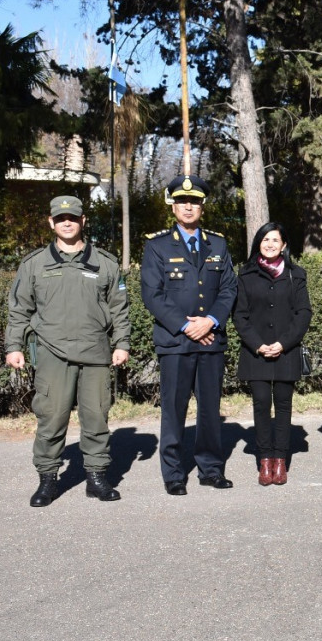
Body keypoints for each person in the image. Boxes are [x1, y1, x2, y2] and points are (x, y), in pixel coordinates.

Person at [5, 195, 130, 507]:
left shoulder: (105, 263)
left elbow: (120, 309)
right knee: (51, 418)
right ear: (51, 223)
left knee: (96, 417)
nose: (67, 223)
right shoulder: (34, 264)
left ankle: (97, 478)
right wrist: (14, 346)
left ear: (82, 221)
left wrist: (122, 343)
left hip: (96, 353)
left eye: (73, 218)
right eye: (61, 219)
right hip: (51, 353)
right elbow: (19, 309)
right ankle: (47, 479)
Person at [141, 174, 238, 496]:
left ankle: (211, 469)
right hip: (176, 342)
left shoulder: (218, 244)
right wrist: (187, 326)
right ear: (172, 205)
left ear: (202, 206)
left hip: (211, 339)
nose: (188, 206)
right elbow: (152, 295)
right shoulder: (156, 245)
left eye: (194, 201)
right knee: (174, 410)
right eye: (182, 201)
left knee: (210, 410)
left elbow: (228, 289)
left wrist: (209, 321)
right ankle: (174, 473)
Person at [233, 222, 313, 486]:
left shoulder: (296, 275)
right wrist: (257, 344)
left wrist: (284, 343)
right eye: (265, 240)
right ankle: (264, 459)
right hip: (255, 351)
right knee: (260, 402)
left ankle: (280, 459)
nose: (269, 244)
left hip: (285, 350)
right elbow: (240, 315)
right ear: (258, 243)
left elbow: (303, 314)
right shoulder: (245, 275)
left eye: (275, 240)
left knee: (282, 404)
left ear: (284, 245)